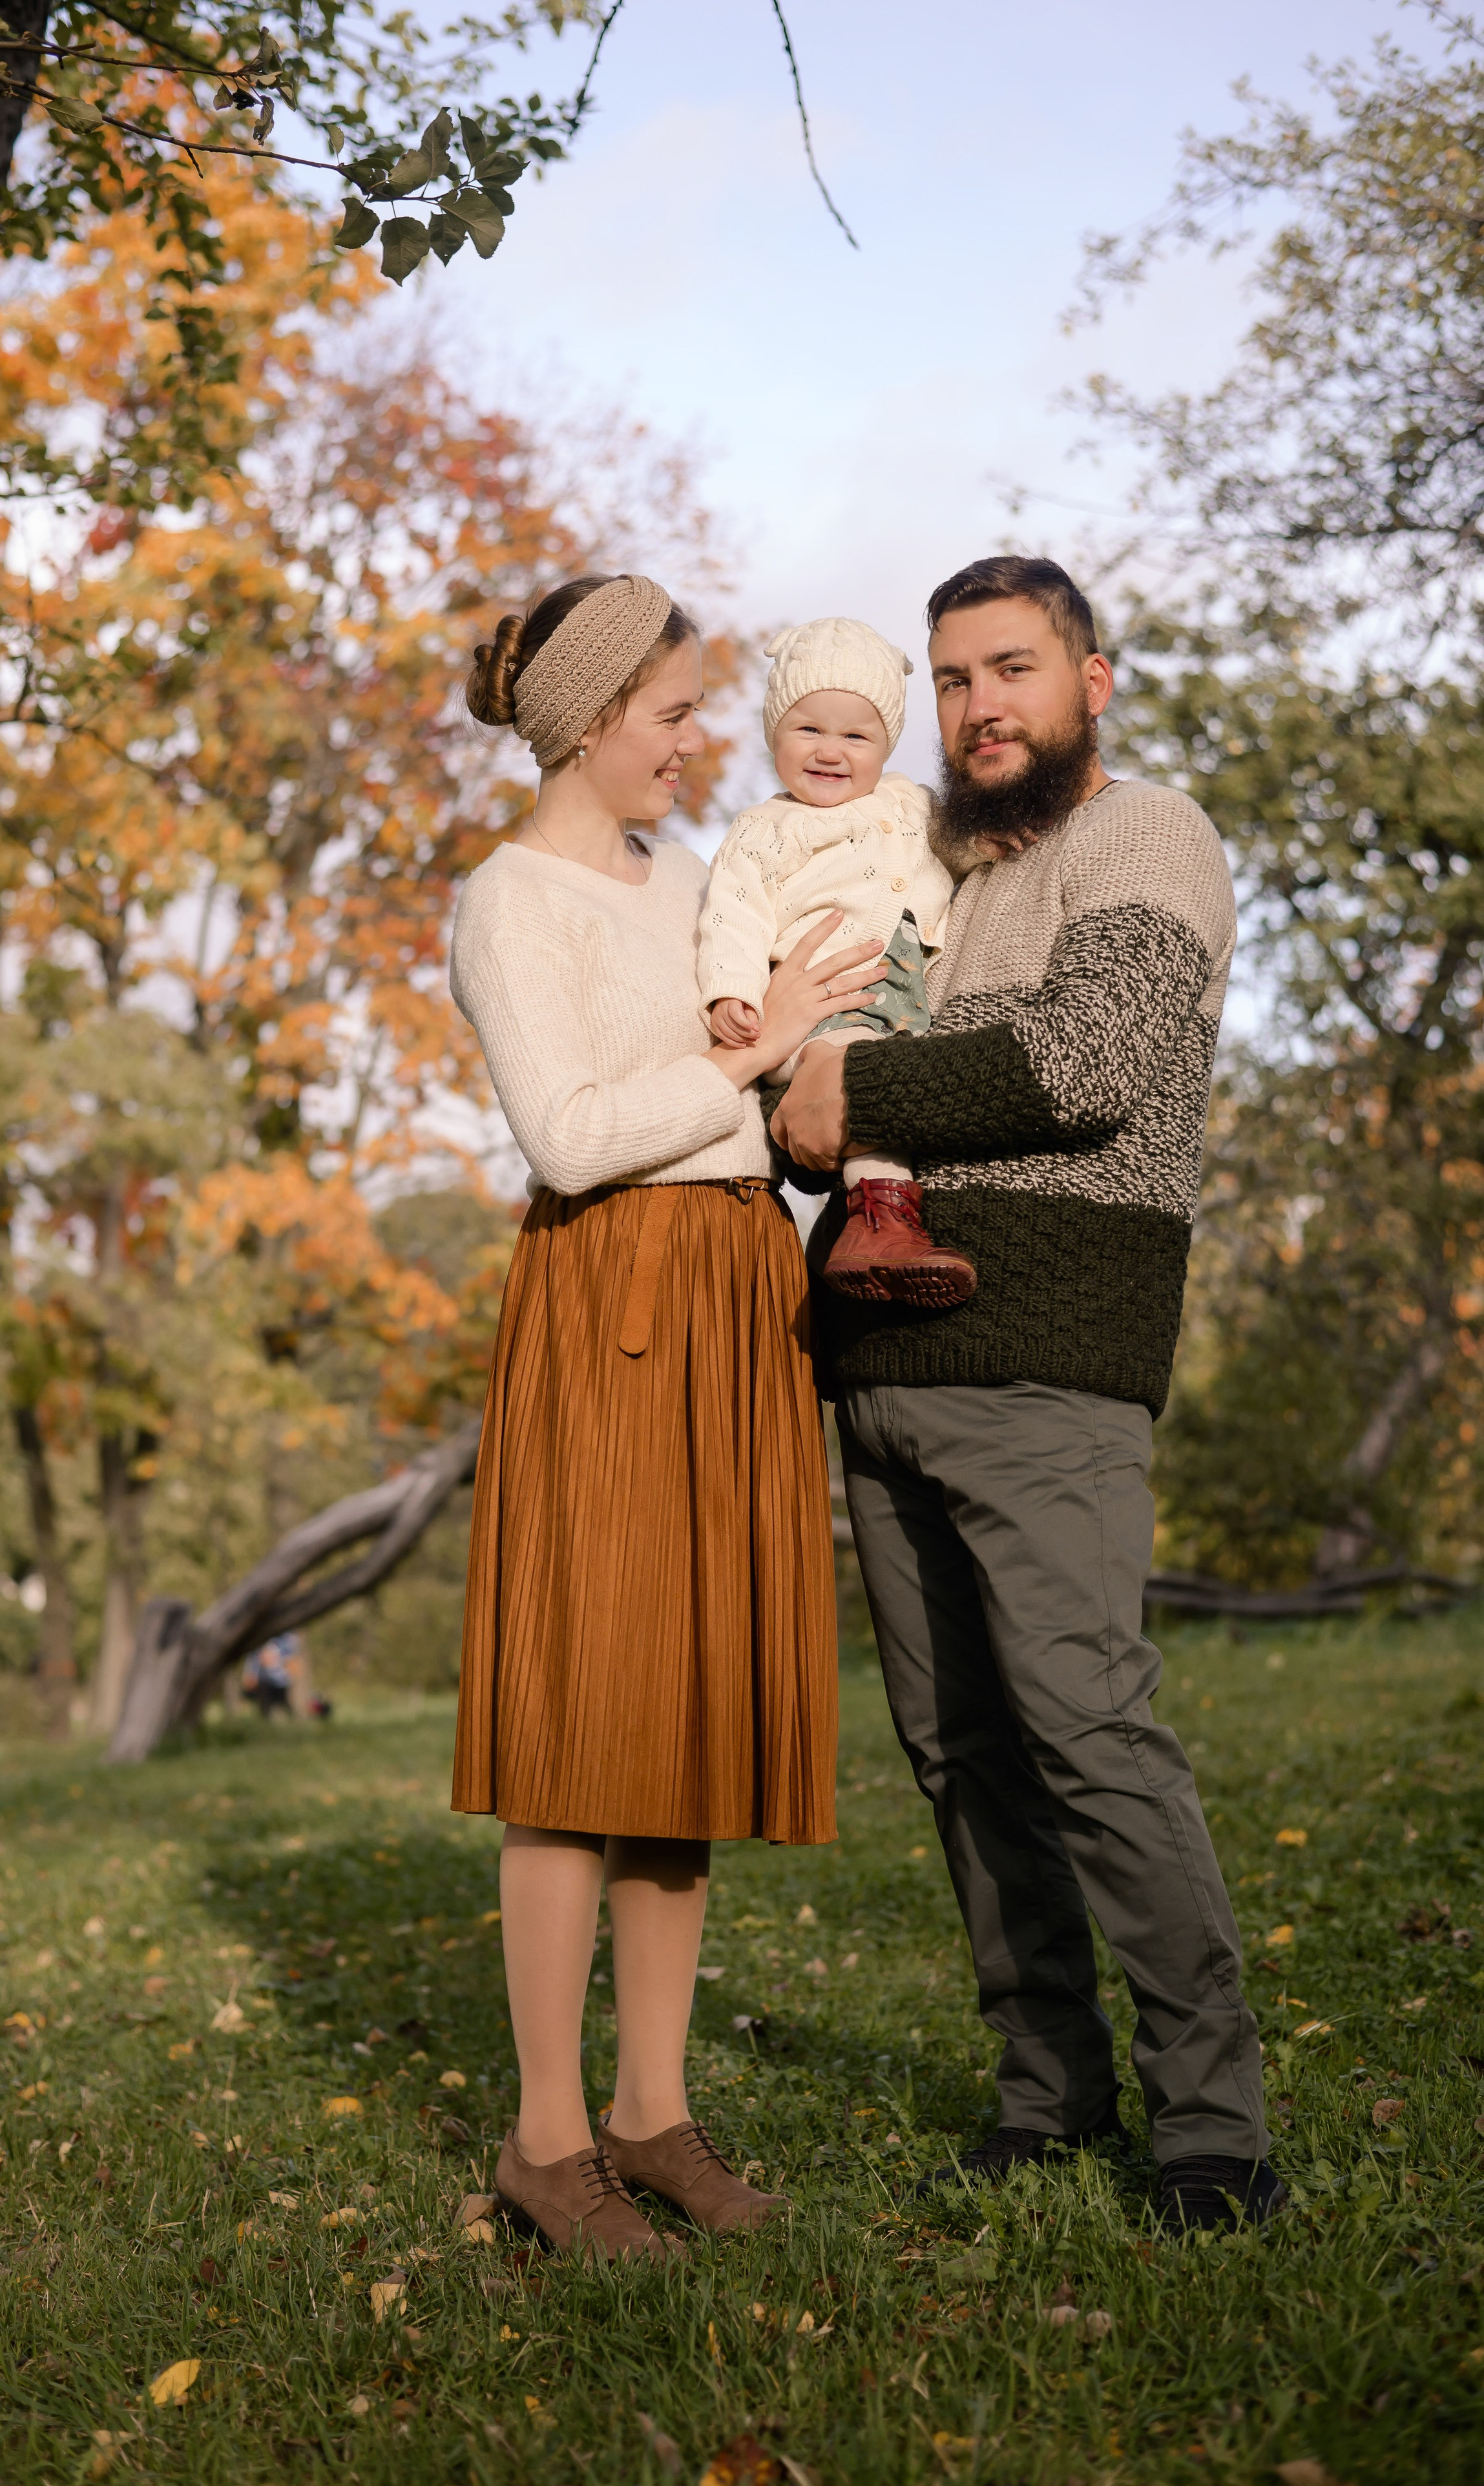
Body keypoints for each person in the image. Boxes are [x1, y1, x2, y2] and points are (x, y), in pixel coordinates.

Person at [771, 554, 1282, 2236]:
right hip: (887, 1374)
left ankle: (1212, 2130)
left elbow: (1093, 1060)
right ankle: (1045, 2092)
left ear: (1092, 679)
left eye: (1013, 668)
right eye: (954, 679)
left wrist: (848, 1089)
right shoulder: (936, 871)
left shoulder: (1144, 834)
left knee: (1086, 1730)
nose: (981, 705)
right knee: (958, 1753)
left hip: (1049, 1367)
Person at [451, 571, 881, 2262]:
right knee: (584, 1728)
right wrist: (743, 1058)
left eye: (703, 712)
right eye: (678, 714)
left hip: (735, 1291)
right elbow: (564, 1135)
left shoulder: (700, 881)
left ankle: (649, 2114)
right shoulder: (509, 898)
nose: (703, 745)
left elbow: (764, 1107)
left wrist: (835, 1048)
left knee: (685, 1719)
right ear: (587, 721)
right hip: (611, 1297)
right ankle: (546, 2144)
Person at [698, 616, 978, 1308]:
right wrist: (731, 992)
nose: (830, 751)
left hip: (898, 1001)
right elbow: (730, 913)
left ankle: (879, 1225)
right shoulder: (765, 828)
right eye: (808, 729)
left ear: (885, 745)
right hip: (822, 1005)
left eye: (855, 735)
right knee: (860, 1077)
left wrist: (1000, 844)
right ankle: (880, 1221)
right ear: (774, 735)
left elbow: (965, 850)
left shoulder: (910, 803)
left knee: (907, 1087)